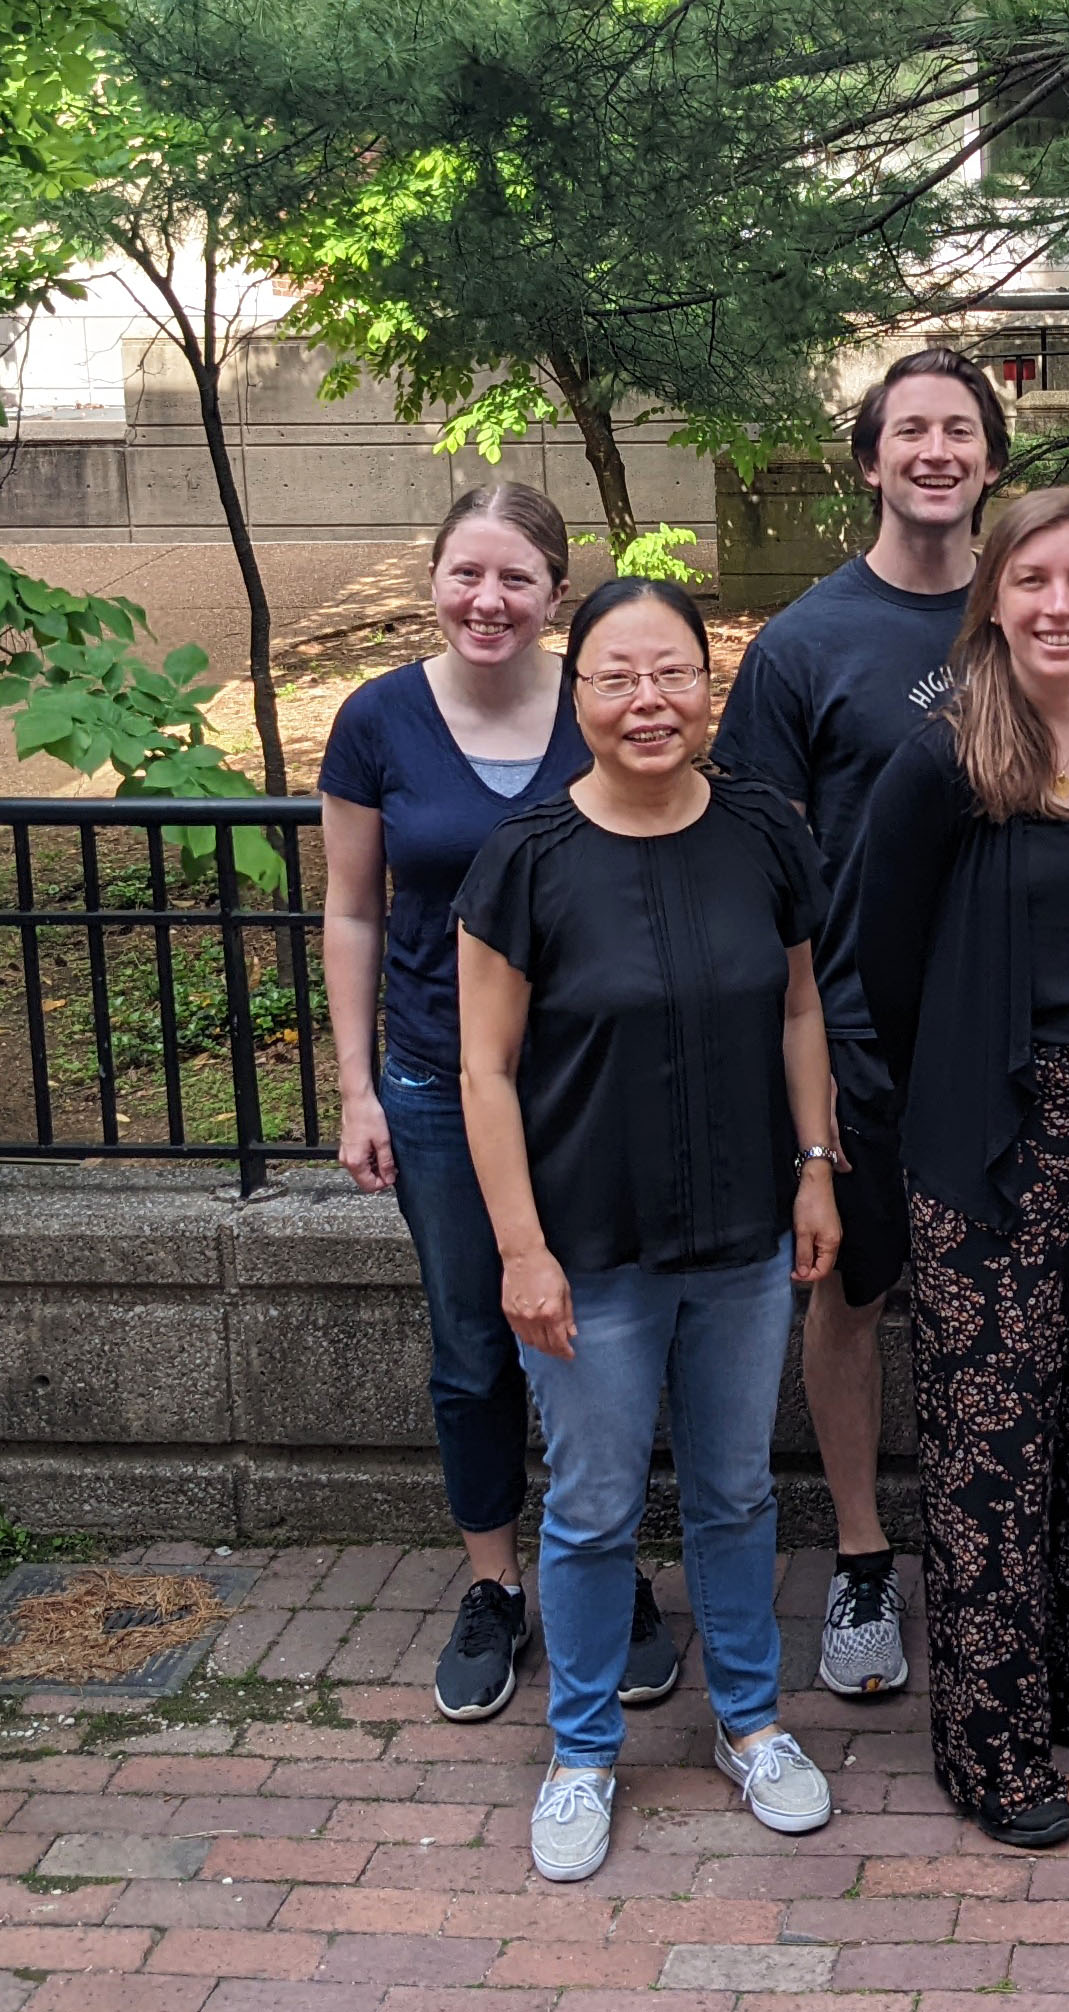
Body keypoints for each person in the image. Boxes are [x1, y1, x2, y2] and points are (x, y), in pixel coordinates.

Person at [452, 576, 844, 1884]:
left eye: (671, 672)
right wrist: (519, 1245)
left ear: (708, 682)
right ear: (579, 699)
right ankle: (580, 1754)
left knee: (734, 1490)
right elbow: (485, 1072)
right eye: (617, 678)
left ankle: (749, 1723)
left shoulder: (763, 832)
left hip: (741, 1236)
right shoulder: (527, 860)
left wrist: (814, 1167)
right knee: (596, 1507)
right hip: (588, 1248)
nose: (648, 702)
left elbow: (800, 1012)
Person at [860, 488, 1069, 1851]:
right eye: (1034, 581)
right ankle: (989, 1743)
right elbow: (876, 966)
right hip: (989, 1142)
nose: (1060, 605)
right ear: (994, 599)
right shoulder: (941, 759)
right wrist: (905, 1134)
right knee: (992, 1446)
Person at [320, 485, 681, 1723]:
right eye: (467, 574)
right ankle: (493, 1584)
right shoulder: (377, 722)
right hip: (432, 1081)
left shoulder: (598, 709)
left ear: (555, 595)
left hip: (585, 1086)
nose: (489, 600)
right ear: (433, 578)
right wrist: (358, 1082)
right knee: (475, 1347)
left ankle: (606, 1564)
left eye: (516, 578)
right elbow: (355, 908)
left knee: (603, 1335)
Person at [713, 346, 1009, 1697]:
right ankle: (861, 1560)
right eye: (912, 432)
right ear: (872, 460)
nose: (937, 451)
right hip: (854, 1035)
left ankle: (986, 1542)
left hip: (1013, 1029)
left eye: (961, 431)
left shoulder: (1034, 619)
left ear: (991, 461)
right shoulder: (803, 646)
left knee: (996, 1303)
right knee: (852, 1293)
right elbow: (757, 859)